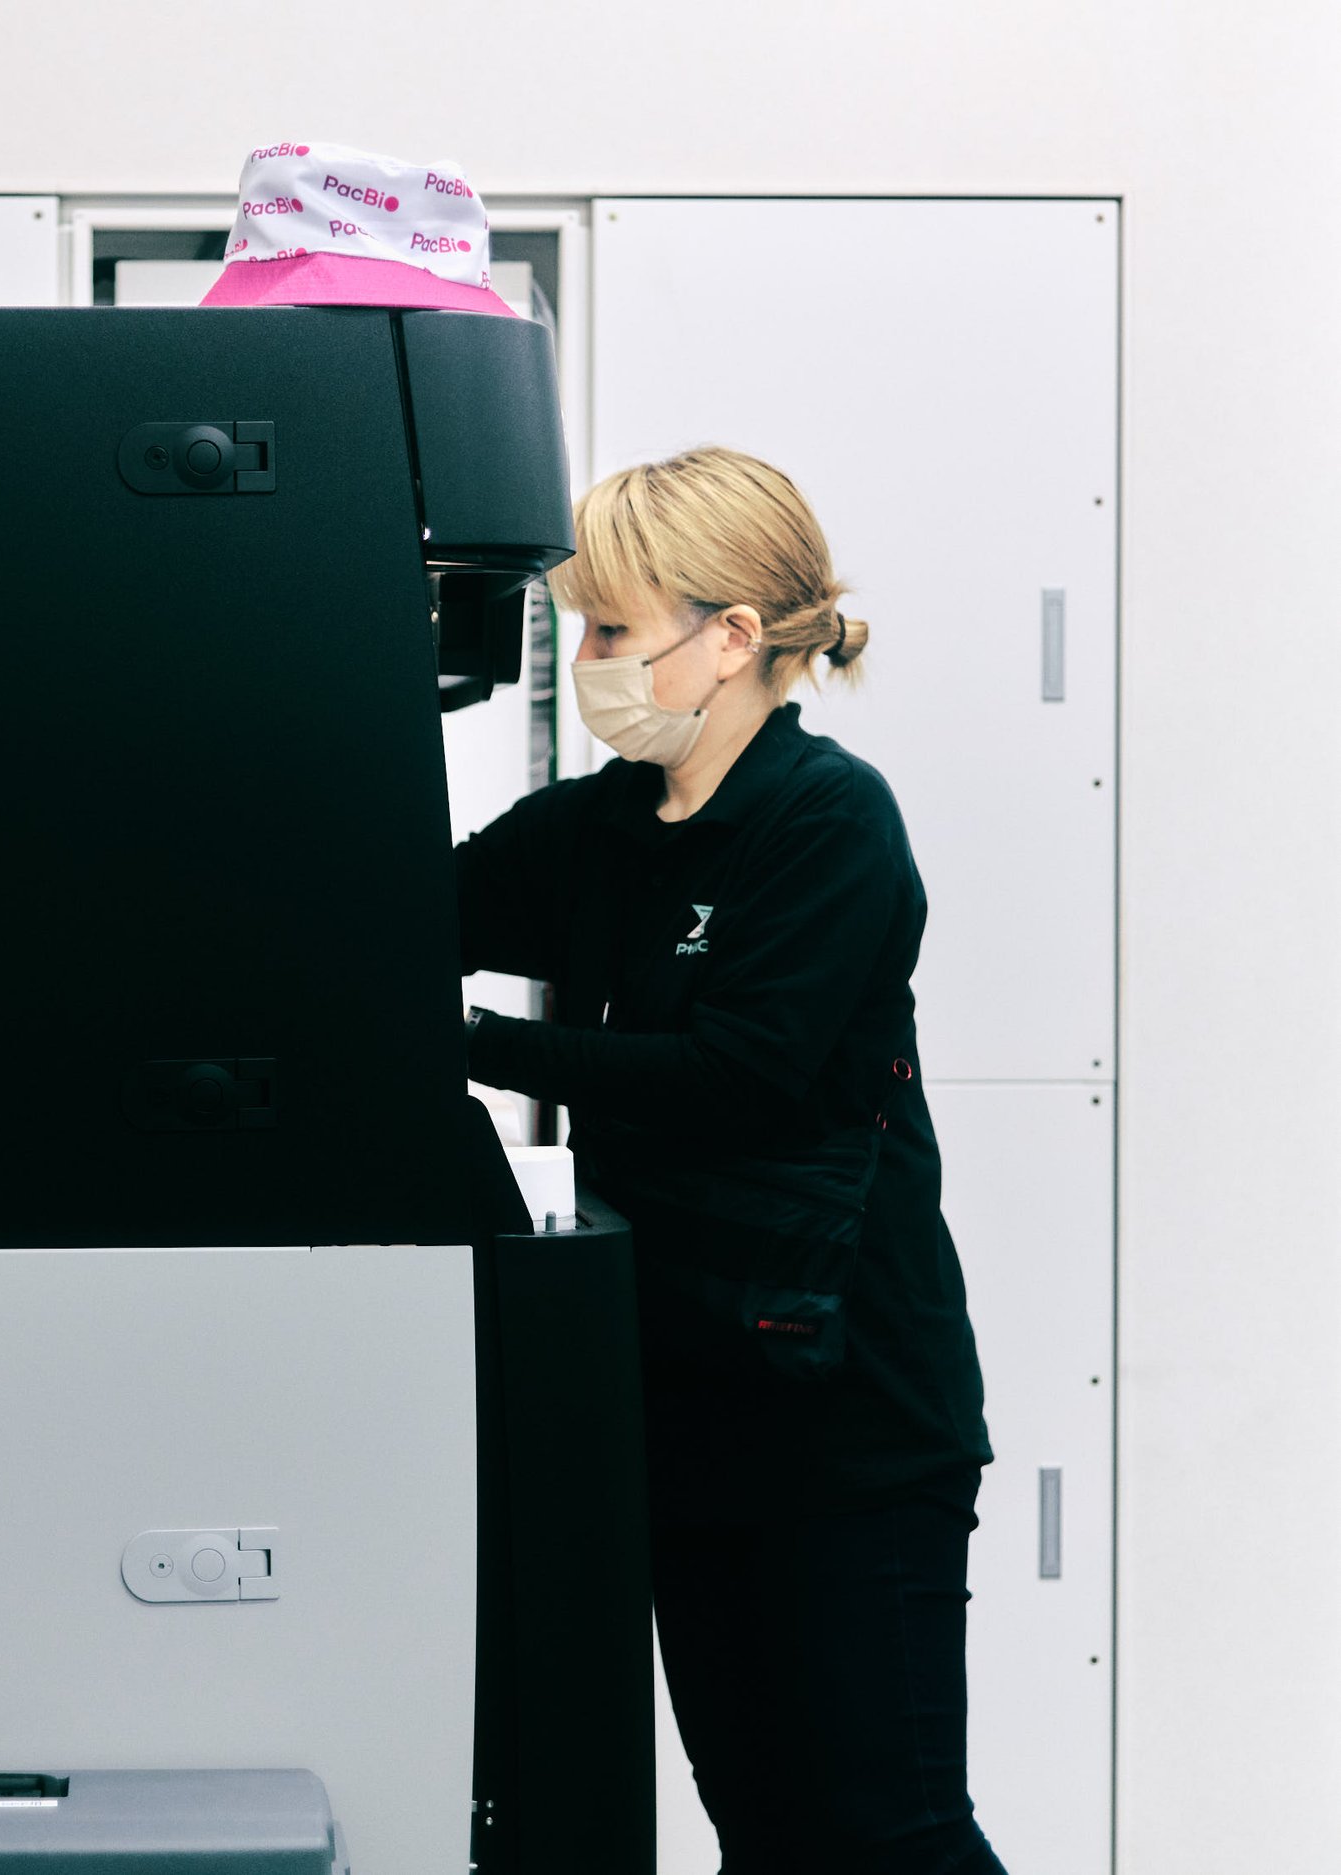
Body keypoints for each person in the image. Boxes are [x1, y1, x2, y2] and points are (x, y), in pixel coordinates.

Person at [457, 448, 1003, 1873]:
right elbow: (407, 906)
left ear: (734, 636)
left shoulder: (824, 817)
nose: (588, 663)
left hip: (853, 1417)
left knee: (888, 1830)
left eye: (614, 631)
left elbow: (738, 1076)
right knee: (764, 1826)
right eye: (580, 628)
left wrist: (474, 1044)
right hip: (684, 1406)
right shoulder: (601, 825)